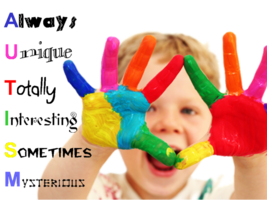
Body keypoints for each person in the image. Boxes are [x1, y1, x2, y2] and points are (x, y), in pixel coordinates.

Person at [38, 31, 234, 200]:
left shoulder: (217, 194)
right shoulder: (98, 191)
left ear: (211, 123)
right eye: (148, 108)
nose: (168, 123)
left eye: (188, 110)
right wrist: (90, 145)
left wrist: (254, 160)